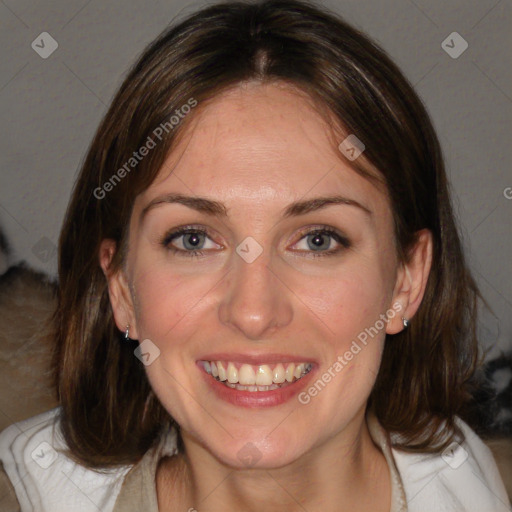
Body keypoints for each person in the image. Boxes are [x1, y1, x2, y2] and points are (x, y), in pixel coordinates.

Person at [0, 1, 509, 510]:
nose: (253, 312)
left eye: (318, 239)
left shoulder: (471, 490)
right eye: (193, 239)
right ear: (121, 288)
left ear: (407, 280)